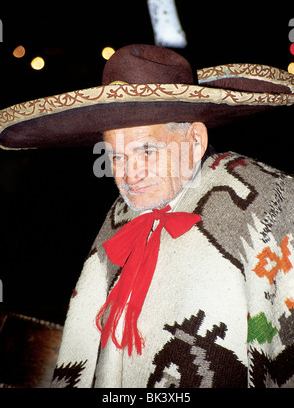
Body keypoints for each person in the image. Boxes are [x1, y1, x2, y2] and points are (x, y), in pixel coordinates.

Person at [1, 44, 294, 388]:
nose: (129, 174)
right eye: (116, 156)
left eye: (146, 150)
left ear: (194, 142)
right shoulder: (120, 216)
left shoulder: (268, 201)